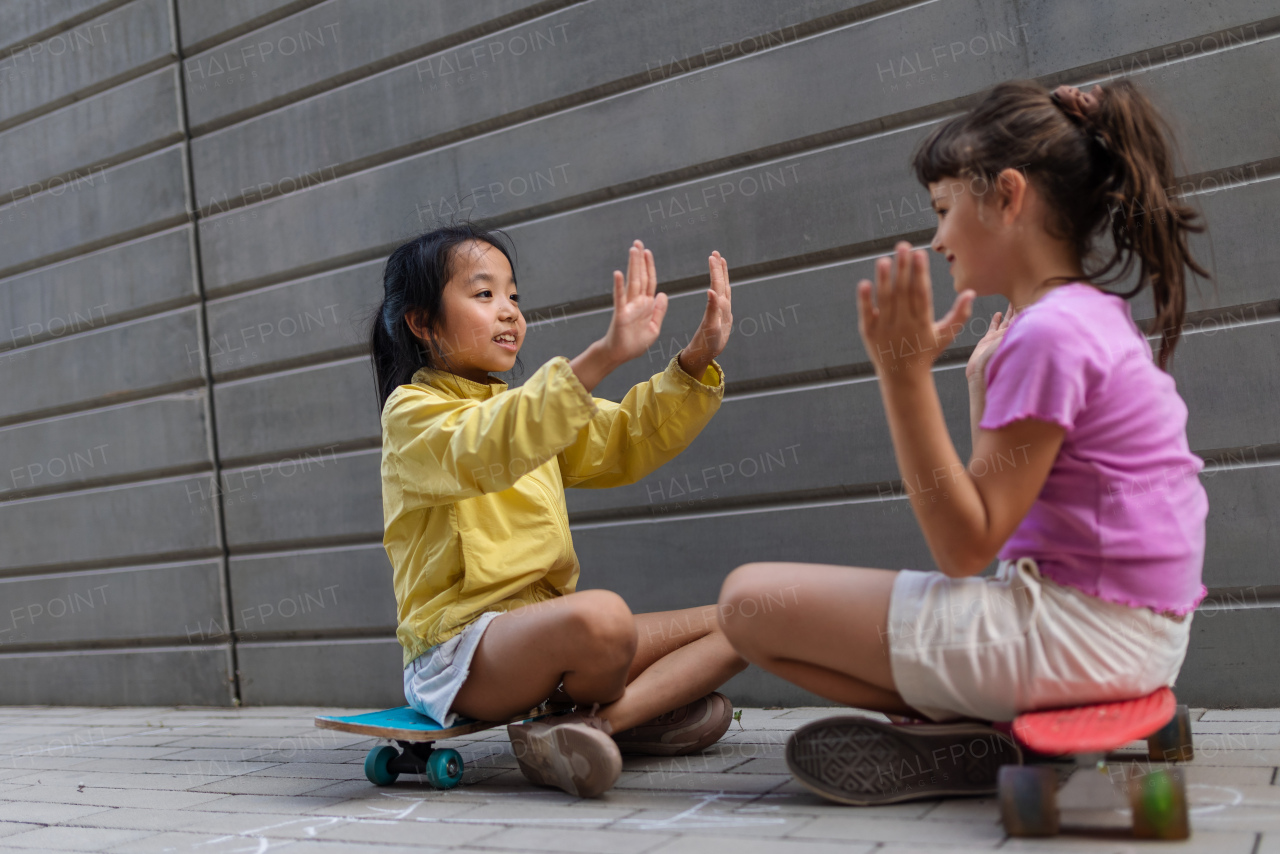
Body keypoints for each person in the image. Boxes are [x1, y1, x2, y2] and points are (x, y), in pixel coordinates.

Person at [717, 79, 1210, 805]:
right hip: (1133, 638)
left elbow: (964, 548)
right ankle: (963, 735)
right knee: (764, 609)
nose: (938, 239)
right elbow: (1000, 519)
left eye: (945, 211)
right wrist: (979, 389)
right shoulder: (1088, 317)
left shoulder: (1048, 335)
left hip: (1081, 641)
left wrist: (903, 377)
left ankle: (978, 730)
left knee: (746, 606)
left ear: (1008, 198)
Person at [371, 225, 747, 798]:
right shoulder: (412, 415)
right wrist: (602, 355)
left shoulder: (524, 408)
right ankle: (611, 712)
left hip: (553, 638)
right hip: (459, 652)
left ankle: (593, 727)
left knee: (753, 618)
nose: (509, 314)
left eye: (514, 297)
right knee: (601, 617)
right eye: (483, 295)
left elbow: (624, 437)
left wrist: (695, 362)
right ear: (422, 323)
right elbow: (487, 445)